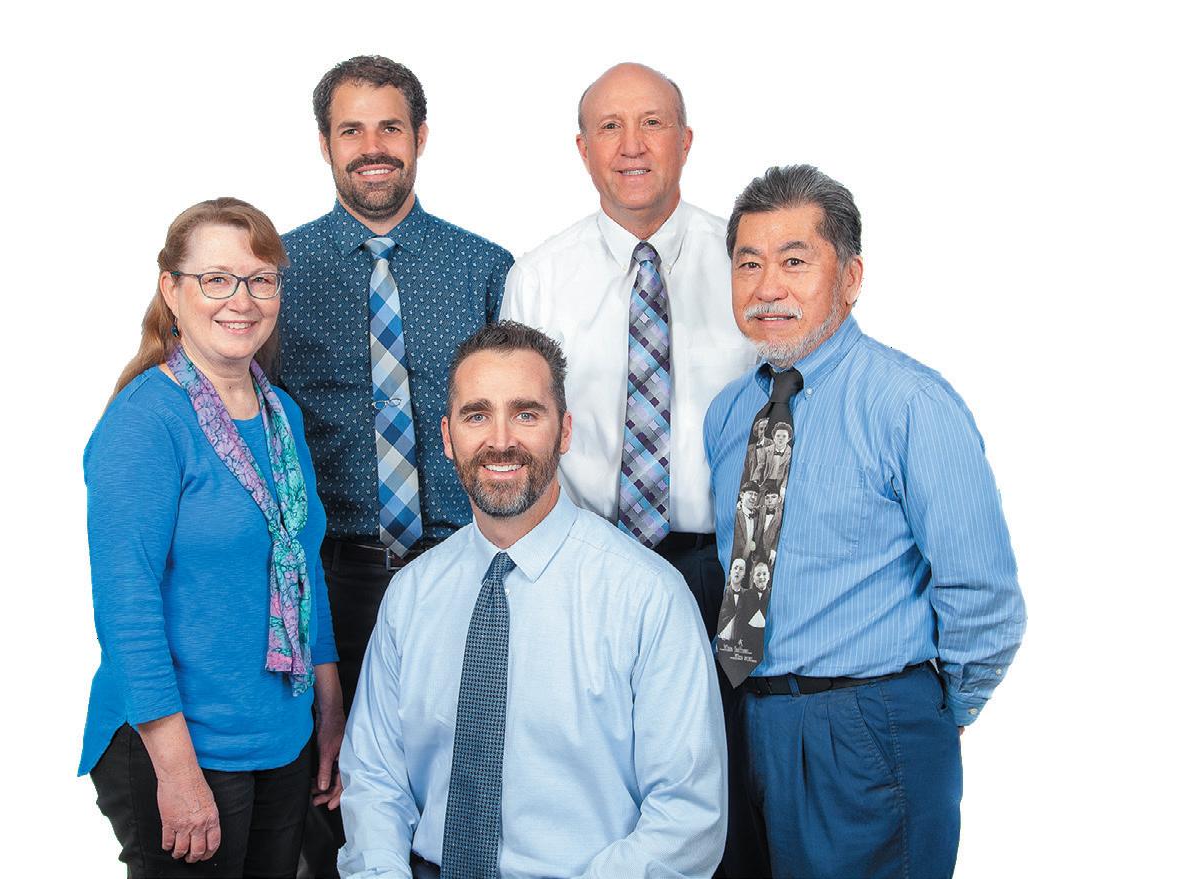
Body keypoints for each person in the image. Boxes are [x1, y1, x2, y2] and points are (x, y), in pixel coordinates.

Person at [705, 165, 1027, 878]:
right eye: (748, 264)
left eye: (795, 261)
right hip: (750, 723)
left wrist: (926, 714)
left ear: (850, 278)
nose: (767, 287)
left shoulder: (908, 404)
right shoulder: (729, 414)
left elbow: (985, 597)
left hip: (868, 724)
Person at [339, 322, 726, 877]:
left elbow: (687, 816)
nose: (501, 441)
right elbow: (376, 780)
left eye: (526, 414)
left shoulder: (648, 597)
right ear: (448, 437)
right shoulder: (411, 595)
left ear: (564, 430)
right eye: (477, 415)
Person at [275, 55, 513, 872]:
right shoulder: (278, 274)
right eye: (352, 130)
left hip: (461, 568)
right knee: (332, 793)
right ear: (325, 143)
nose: (372, 147)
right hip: (331, 581)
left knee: (465, 778)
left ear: (420, 137)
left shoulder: (485, 267)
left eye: (389, 127)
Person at [79, 198, 343, 877]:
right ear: (172, 289)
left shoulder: (281, 414)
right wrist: (176, 771)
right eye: (216, 279)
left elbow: (303, 564)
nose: (242, 300)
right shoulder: (145, 422)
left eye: (260, 279)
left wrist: (330, 710)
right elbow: (127, 608)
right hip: (182, 747)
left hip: (282, 739)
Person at [501, 62, 755, 635]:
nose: (632, 145)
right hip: (583, 560)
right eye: (610, 126)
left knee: (724, 699)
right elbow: (518, 435)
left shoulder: (745, 265)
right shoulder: (538, 279)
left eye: (653, 123)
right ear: (584, 149)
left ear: (685, 141)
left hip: (723, 568)